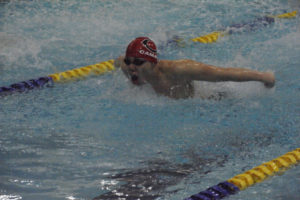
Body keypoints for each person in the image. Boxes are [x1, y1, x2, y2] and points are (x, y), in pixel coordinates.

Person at [114, 37, 275, 99]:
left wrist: (262, 77)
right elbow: (118, 61)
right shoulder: (127, 66)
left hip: (207, 100)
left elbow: (223, 74)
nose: (132, 67)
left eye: (139, 62)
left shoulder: (179, 70)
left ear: (154, 62)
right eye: (129, 61)